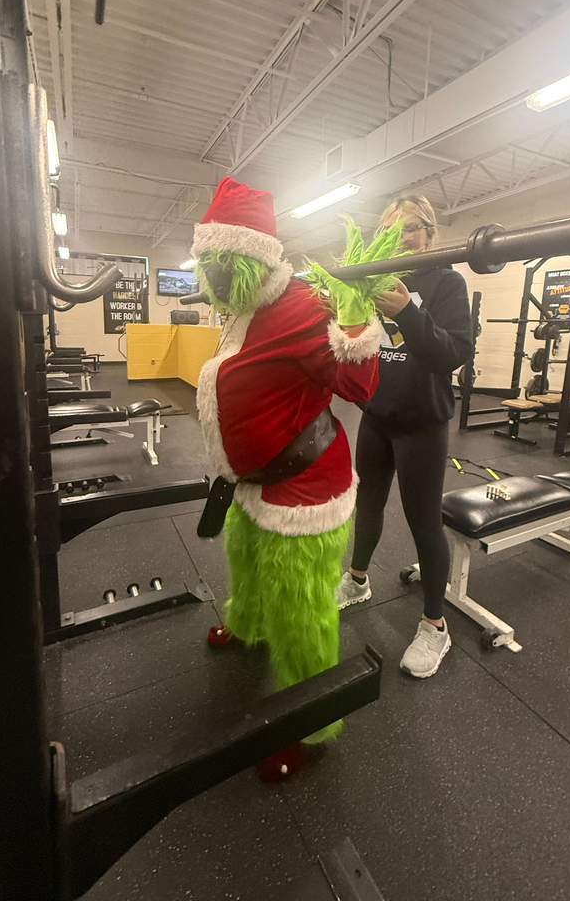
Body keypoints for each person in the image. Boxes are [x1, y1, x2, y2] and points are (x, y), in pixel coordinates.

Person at [192, 176, 402, 780]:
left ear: (256, 259)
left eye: (227, 264)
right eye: (210, 263)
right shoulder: (241, 307)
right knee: (247, 563)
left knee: (301, 607)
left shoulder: (304, 306)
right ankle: (247, 626)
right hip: (252, 483)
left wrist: (356, 317)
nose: (217, 277)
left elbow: (359, 386)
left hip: (303, 489)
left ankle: (313, 724)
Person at [335, 195, 473, 678]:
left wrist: (409, 314)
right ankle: (358, 581)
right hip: (377, 418)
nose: (401, 238)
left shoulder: (447, 282)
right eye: (390, 230)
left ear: (430, 235)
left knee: (423, 523)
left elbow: (453, 353)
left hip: (422, 424)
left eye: (412, 228)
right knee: (368, 505)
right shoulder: (374, 279)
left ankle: (435, 625)